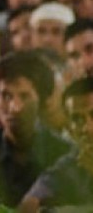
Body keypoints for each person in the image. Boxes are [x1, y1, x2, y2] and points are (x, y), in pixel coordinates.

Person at [0, 51, 72, 206]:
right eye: (6, 96)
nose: (14, 107)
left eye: (25, 96)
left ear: (42, 100)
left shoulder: (63, 151)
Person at [19, 76, 93, 211]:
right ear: (70, 128)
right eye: (77, 119)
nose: (87, 128)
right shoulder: (73, 161)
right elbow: (31, 199)